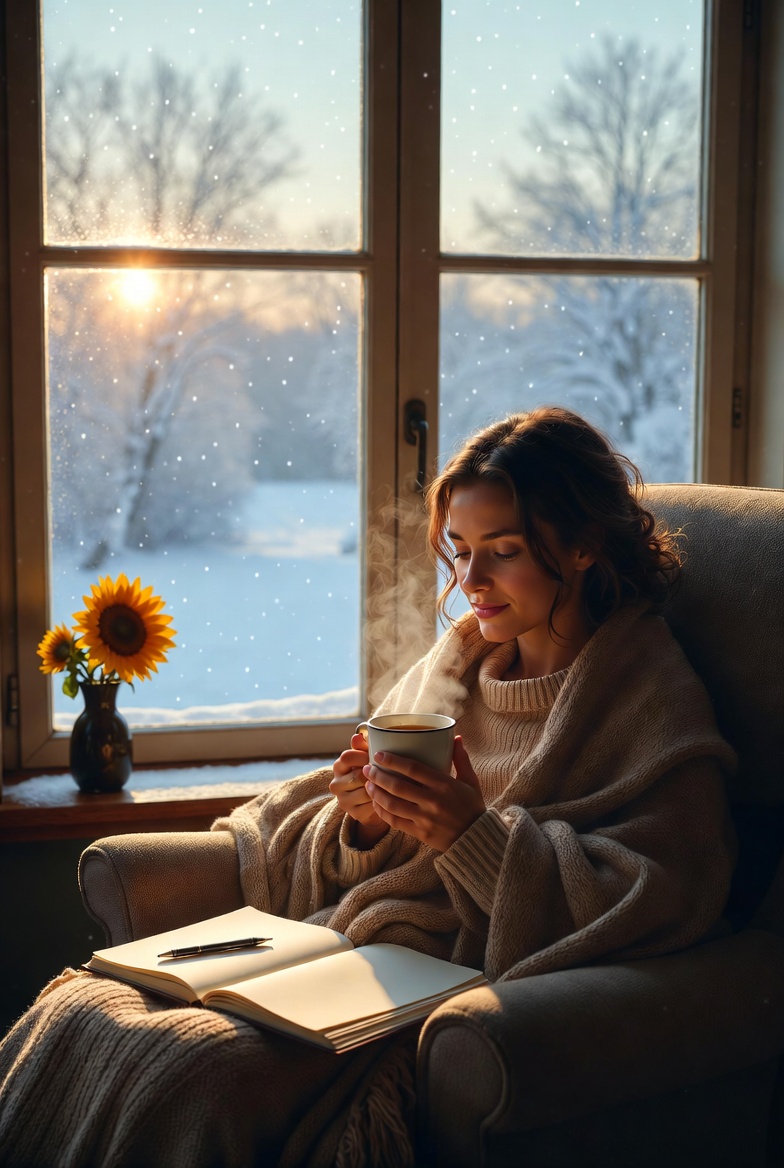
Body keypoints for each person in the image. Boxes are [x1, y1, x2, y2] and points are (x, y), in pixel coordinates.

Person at [0, 407, 736, 1168]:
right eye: (459, 551)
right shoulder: (462, 664)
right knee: (80, 1012)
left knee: (194, 1071)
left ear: (583, 546)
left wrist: (471, 839)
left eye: (503, 552)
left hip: (444, 982)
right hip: (350, 947)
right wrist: (361, 823)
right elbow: (357, 837)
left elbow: (666, 893)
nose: (470, 582)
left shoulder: (647, 691)